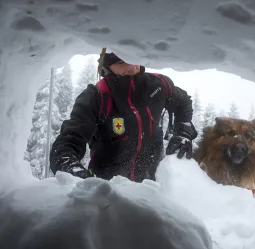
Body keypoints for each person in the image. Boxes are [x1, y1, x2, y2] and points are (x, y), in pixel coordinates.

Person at [50, 52, 197, 182]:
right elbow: (67, 142)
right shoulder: (96, 96)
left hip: (153, 190)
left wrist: (183, 132)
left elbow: (183, 102)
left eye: (135, 58)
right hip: (109, 194)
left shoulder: (159, 86)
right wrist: (74, 173)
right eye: (121, 62)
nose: (132, 67)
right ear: (107, 65)